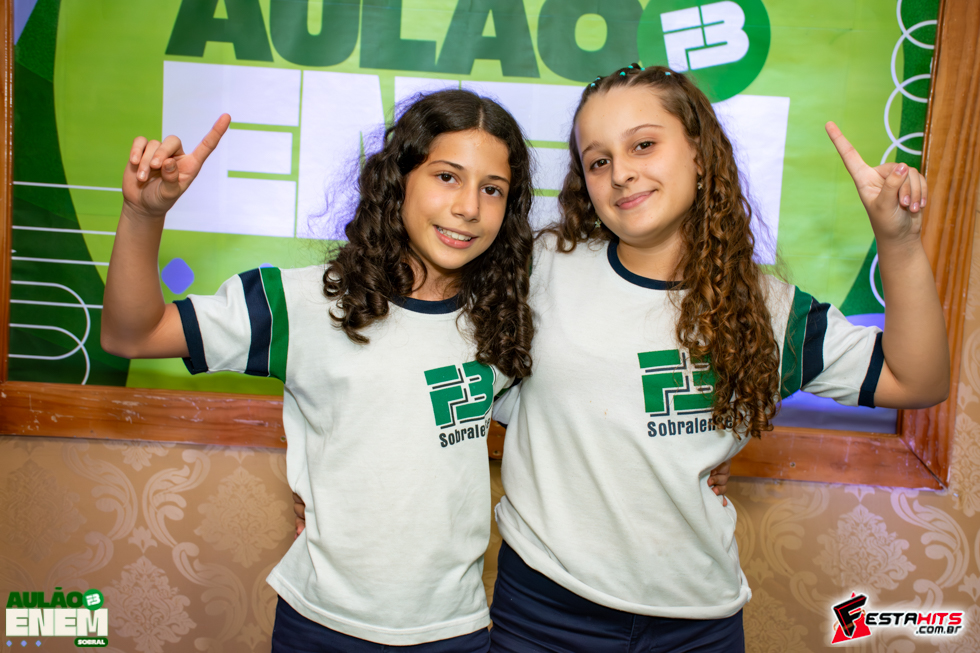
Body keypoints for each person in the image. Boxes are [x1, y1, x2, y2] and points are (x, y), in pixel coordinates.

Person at [487, 65, 949, 652]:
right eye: (598, 160)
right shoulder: (543, 267)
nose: (621, 172)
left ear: (700, 154)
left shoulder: (766, 307)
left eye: (643, 145)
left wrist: (898, 240)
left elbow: (917, 379)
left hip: (696, 625)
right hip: (544, 613)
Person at [100, 89, 538, 652]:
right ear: (399, 181)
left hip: (453, 631)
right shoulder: (306, 304)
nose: (469, 207)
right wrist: (143, 215)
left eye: (492, 189)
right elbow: (131, 334)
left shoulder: (501, 322)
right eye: (447, 177)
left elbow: (564, 423)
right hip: (321, 626)